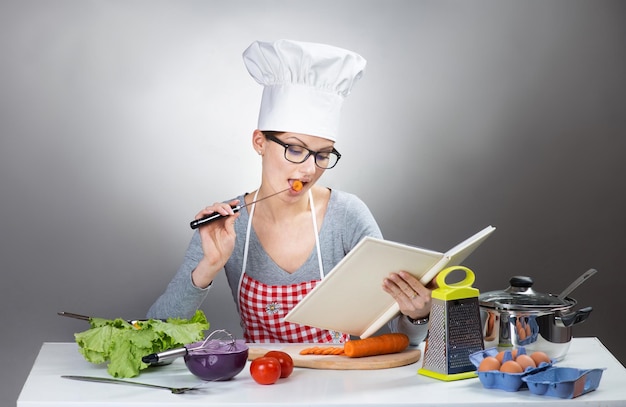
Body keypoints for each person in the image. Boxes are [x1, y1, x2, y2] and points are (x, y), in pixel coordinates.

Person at [147, 39, 433, 345]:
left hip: (341, 384)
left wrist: (417, 315)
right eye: (295, 149)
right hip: (260, 383)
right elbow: (154, 330)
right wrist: (208, 267)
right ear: (260, 142)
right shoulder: (226, 224)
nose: (309, 170)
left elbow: (400, 339)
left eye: (323, 155)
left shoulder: (347, 216)